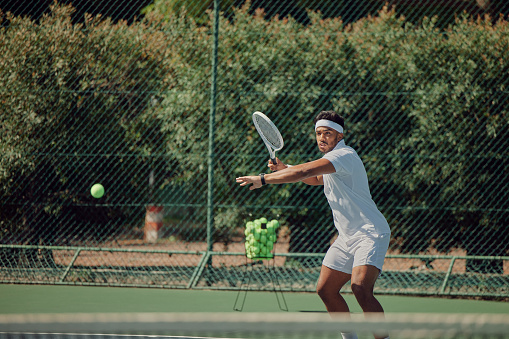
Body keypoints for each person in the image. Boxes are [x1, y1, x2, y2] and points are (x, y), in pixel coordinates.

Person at [236, 111, 391, 339]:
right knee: (326, 290)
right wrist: (284, 167)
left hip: (370, 233)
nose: (321, 138)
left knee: (359, 288)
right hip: (347, 237)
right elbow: (315, 178)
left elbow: (305, 171)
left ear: (340, 135)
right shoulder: (333, 161)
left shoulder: (345, 155)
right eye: (318, 133)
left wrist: (263, 179)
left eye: (327, 133)